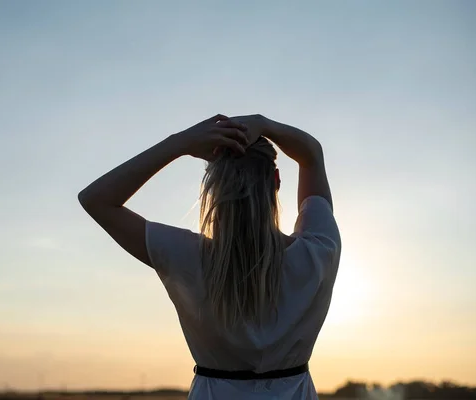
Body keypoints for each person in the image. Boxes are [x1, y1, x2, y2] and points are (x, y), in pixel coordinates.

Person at [78, 114, 341, 400]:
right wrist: (265, 124)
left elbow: (96, 199)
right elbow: (312, 155)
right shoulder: (318, 251)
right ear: (275, 181)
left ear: (213, 187)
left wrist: (178, 143)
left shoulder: (187, 257)